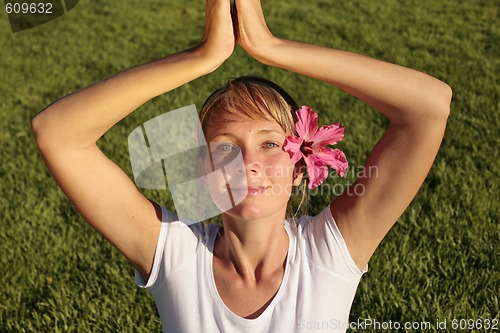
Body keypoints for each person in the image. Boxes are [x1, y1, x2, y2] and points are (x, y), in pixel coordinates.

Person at [31, 0, 452, 332]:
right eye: (225, 149)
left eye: (269, 143)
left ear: (301, 164)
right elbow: (57, 134)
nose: (249, 164)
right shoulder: (177, 256)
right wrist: (203, 56)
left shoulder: (329, 252)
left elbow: (429, 107)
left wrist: (271, 46)